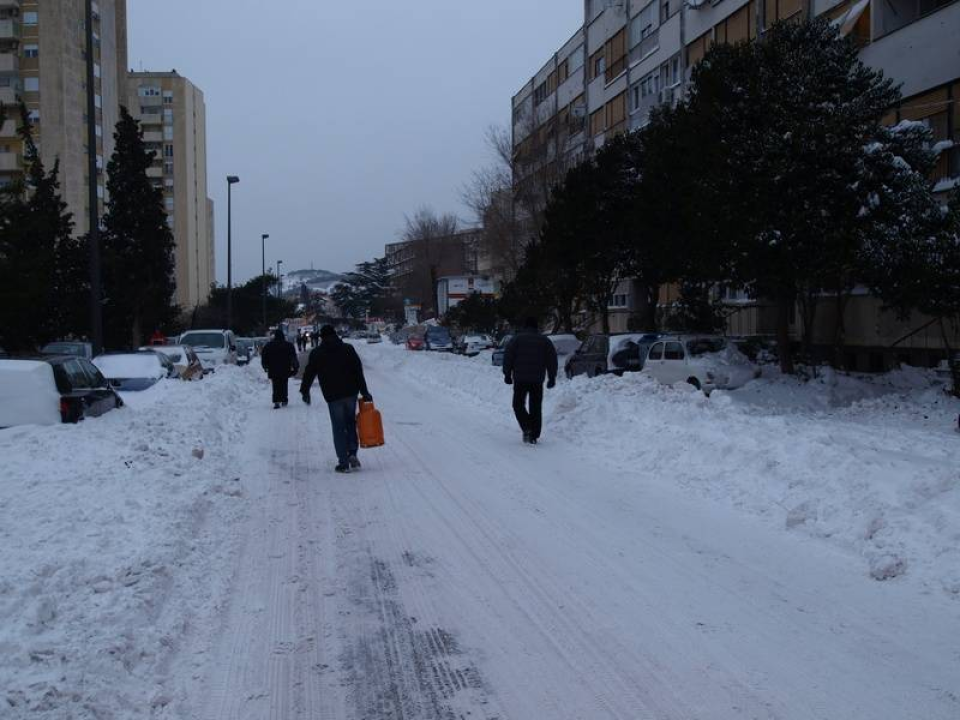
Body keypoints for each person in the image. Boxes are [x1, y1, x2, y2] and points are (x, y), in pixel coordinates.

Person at [300, 325, 373, 473]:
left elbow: (309, 373)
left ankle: (343, 462)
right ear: (335, 335)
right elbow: (358, 371)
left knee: (338, 427)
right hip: (350, 393)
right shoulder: (347, 349)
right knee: (350, 423)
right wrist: (364, 391)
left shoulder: (317, 353)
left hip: (333, 396)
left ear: (321, 337)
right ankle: (352, 453)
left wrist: (305, 390)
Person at [503, 317, 558, 445]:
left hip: (520, 379)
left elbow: (508, 357)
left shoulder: (516, 340)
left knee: (518, 404)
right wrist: (552, 377)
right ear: (536, 327)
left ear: (525, 326)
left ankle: (527, 427)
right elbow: (552, 360)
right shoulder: (545, 341)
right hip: (537, 380)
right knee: (536, 406)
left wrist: (507, 374)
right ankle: (534, 433)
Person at [261, 328, 299, 409]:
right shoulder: (288, 345)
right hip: (285, 368)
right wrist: (295, 367)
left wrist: (265, 366)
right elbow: (293, 357)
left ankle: (276, 401)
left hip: (273, 369)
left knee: (275, 385)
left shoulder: (269, 345)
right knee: (284, 383)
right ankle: (284, 399)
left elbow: (264, 357)